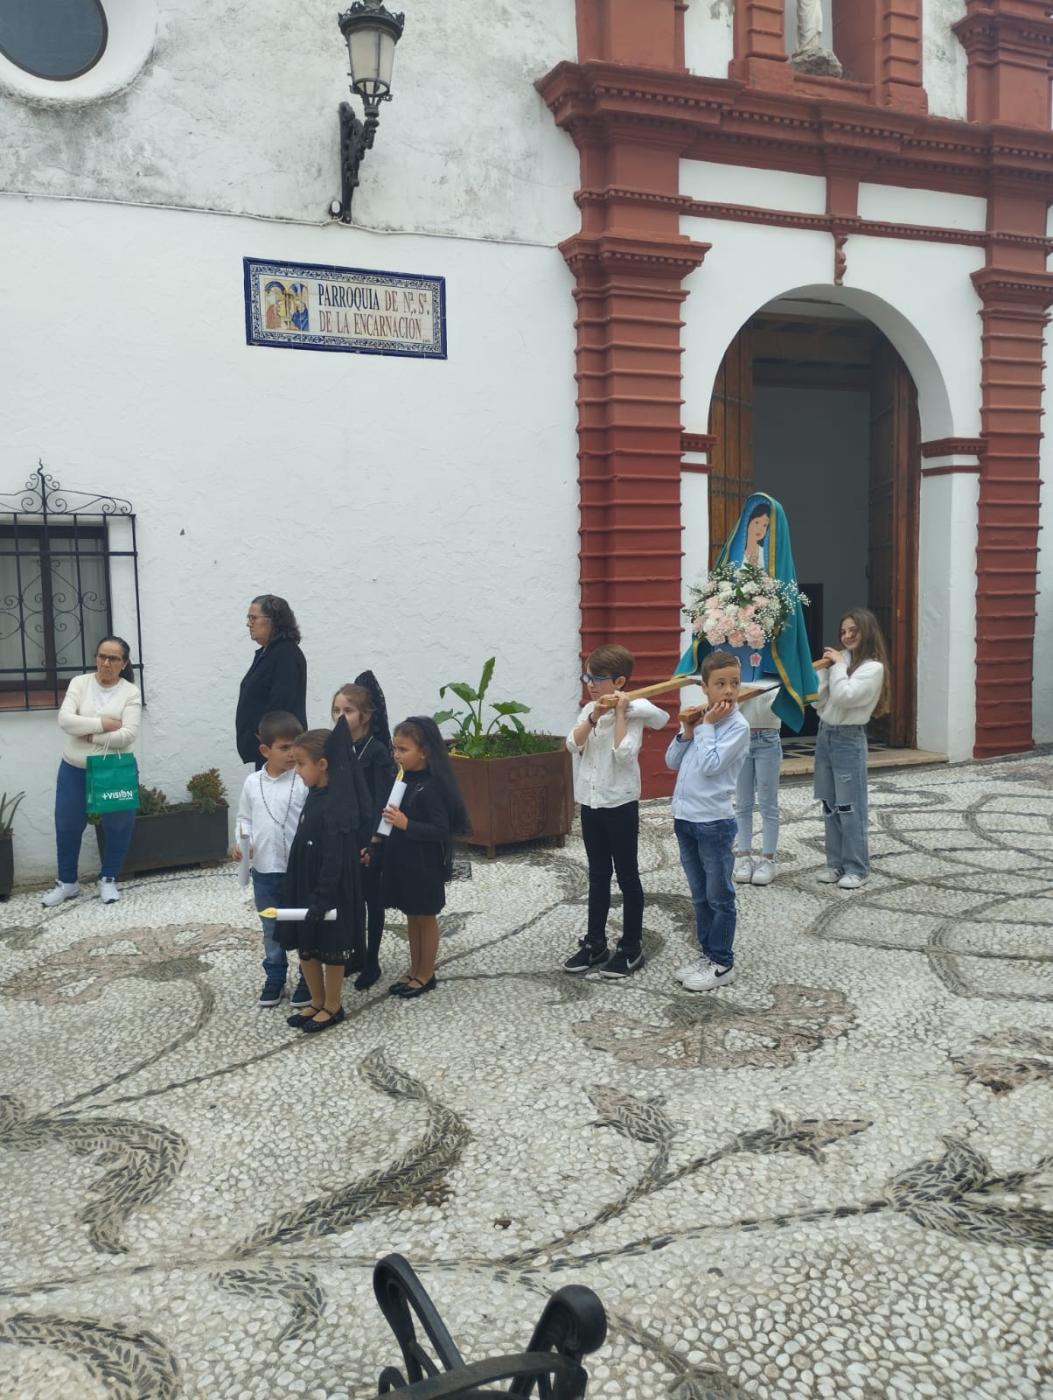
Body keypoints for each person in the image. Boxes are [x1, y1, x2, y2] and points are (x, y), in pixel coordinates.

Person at [562, 643, 669, 979]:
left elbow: (624, 753)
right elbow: (572, 744)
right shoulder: (589, 710)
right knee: (597, 875)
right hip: (591, 803)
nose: (591, 685)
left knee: (627, 875)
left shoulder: (633, 713)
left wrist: (621, 712)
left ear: (619, 681)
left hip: (619, 804)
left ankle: (631, 946)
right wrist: (595, 716)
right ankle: (595, 942)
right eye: (587, 677)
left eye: (598, 678)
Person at [279, 720, 373, 1033]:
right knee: (306, 944)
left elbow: (335, 857)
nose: (297, 771)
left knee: (331, 947)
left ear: (322, 765)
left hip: (329, 887)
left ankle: (333, 1005)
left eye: (301, 764)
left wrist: (322, 895)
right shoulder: (313, 793)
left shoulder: (337, 804)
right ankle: (316, 1000)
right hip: (304, 881)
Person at [666, 650, 750, 993]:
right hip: (686, 818)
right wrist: (688, 730)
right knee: (699, 895)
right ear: (704, 687)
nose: (728, 690)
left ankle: (722, 962)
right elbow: (672, 761)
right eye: (720, 684)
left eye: (734, 683)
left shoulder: (737, 727)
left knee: (719, 896)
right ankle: (707, 953)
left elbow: (711, 765)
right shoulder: (702, 723)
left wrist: (708, 728)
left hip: (714, 822)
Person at [42, 636, 142, 908]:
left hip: (114, 769)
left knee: (118, 826)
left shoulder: (130, 692)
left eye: (113, 659)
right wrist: (105, 724)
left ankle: (108, 878)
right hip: (74, 768)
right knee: (67, 824)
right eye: (101, 656)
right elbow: (65, 720)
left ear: (124, 664)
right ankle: (67, 883)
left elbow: (128, 734)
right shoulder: (80, 683)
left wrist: (89, 735)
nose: (106, 663)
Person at [381, 716, 468, 1000]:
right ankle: (414, 968)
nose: (396, 755)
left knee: (425, 916)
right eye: (395, 748)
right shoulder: (404, 779)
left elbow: (441, 829)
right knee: (412, 915)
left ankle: (426, 972)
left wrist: (406, 824)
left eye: (403, 749)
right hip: (404, 860)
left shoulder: (432, 786)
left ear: (424, 752)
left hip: (424, 864)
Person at [232, 711, 309, 1008]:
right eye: (284, 747)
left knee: (302, 923)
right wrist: (244, 843)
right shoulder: (252, 783)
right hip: (265, 871)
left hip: (297, 870)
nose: (291, 753)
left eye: (295, 746)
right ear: (265, 750)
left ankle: (307, 976)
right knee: (271, 928)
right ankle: (275, 976)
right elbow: (244, 818)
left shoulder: (303, 780)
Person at [813, 608, 890, 891]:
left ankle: (857, 868)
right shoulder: (840, 661)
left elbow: (845, 696)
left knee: (850, 807)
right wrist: (823, 674)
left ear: (866, 632)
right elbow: (819, 702)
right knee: (829, 804)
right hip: (825, 735)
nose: (846, 636)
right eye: (843, 631)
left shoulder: (873, 668)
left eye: (853, 631)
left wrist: (837, 667)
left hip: (848, 739)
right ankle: (835, 864)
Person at [331, 672, 396, 990]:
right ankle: (355, 953)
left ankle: (372, 960)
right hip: (345, 835)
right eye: (336, 710)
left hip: (370, 837)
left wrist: (375, 840)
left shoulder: (376, 752)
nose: (340, 716)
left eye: (348, 711)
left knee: (372, 899)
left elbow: (384, 799)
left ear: (365, 716)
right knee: (351, 899)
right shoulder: (337, 747)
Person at [236, 595, 307, 769]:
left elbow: (281, 704)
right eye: (249, 618)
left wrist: (263, 734)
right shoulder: (267, 653)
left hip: (280, 750)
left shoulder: (286, 654)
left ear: (273, 620)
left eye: (253, 618)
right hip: (269, 747)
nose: (249, 624)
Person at [733, 681, 783, 887]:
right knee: (742, 803)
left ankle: (768, 858)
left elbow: (778, 703)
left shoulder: (775, 670)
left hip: (768, 737)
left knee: (768, 803)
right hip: (742, 736)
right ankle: (743, 856)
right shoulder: (738, 670)